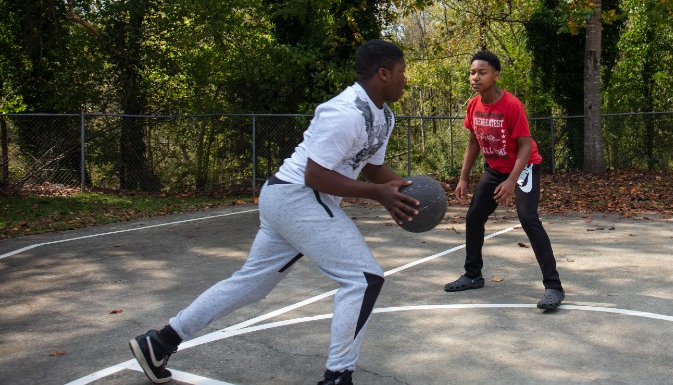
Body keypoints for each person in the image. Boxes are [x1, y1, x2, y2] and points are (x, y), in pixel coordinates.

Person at [129, 39, 420, 385]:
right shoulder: (345, 112)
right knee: (364, 278)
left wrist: (408, 191)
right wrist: (378, 194)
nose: (407, 79)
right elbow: (316, 175)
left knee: (251, 284)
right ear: (383, 74)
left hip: (293, 199)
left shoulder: (383, 115)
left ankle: (160, 341)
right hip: (297, 195)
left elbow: (372, 169)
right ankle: (338, 376)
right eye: (402, 71)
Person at [444, 49, 564, 310]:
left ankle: (553, 286)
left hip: (524, 167)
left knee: (528, 218)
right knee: (474, 216)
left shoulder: (512, 105)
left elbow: (524, 146)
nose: (475, 77)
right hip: (495, 168)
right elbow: (474, 142)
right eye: (472, 72)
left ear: (495, 75)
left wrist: (511, 181)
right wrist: (463, 178)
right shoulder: (474, 105)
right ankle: (472, 275)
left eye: (482, 72)